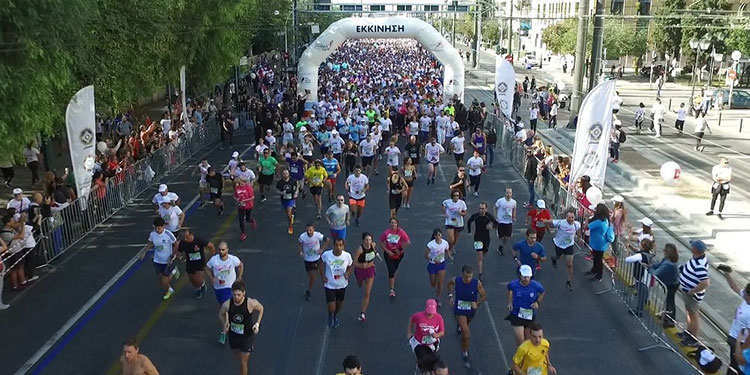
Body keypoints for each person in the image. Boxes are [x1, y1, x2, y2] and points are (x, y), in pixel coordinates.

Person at [218, 281, 263, 375]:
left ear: (244, 293)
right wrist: (225, 324)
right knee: (237, 355)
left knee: (243, 362)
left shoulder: (250, 303)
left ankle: (247, 349)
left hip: (247, 336)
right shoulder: (227, 304)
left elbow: (261, 308)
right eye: (234, 295)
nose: (236, 297)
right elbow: (221, 314)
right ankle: (247, 351)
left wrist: (257, 324)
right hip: (233, 336)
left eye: (239, 294)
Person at [447, 265, 487, 368]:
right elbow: (449, 285)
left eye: (470, 277)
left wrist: (477, 303)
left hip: (471, 309)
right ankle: (465, 352)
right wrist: (451, 296)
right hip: (459, 308)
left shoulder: (476, 283)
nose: (468, 279)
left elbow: (484, 296)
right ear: (462, 275)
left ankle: (460, 327)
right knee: (466, 333)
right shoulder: (456, 280)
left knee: (466, 325)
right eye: (466, 277)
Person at [206, 241, 244, 344]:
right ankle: (230, 325)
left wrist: (239, 278)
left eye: (223, 249)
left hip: (230, 287)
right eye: (219, 249)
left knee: (225, 308)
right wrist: (212, 277)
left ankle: (224, 331)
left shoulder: (232, 259)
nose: (221, 251)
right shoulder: (214, 260)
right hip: (218, 288)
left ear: (227, 250)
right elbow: (207, 268)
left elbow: (241, 265)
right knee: (224, 309)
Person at [717, 264, 750, 375]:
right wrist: (727, 274)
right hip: (735, 338)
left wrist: (740, 351)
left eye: (745, 292)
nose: (743, 292)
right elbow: (735, 287)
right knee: (733, 364)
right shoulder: (746, 301)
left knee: (737, 367)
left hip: (740, 343)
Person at [677, 240, 711, 347]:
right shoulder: (696, 258)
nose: (690, 246)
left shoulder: (699, 264)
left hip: (692, 295)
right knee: (689, 313)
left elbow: (705, 283)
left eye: (692, 246)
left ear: (695, 249)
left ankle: (693, 338)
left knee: (694, 316)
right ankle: (688, 333)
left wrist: (693, 291)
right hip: (687, 292)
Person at [506, 265, 546, 346]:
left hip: (529, 315)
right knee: (520, 341)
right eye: (524, 276)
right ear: (520, 275)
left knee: (528, 341)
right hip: (516, 315)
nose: (526, 279)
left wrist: (537, 302)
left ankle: (526, 357)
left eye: (528, 277)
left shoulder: (536, 285)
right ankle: (520, 357)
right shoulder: (513, 284)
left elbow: (543, 292)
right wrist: (510, 302)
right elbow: (510, 291)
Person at [141, 217, 179, 300]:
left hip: (167, 261)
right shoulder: (152, 234)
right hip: (157, 260)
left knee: (163, 281)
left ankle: (170, 290)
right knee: (160, 278)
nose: (157, 230)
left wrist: (173, 255)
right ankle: (174, 271)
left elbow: (176, 244)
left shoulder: (168, 234)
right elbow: (150, 243)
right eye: (156, 228)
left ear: (163, 227)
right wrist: (144, 252)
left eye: (159, 228)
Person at [320, 238, 353, 328]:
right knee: (332, 306)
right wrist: (323, 276)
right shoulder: (327, 255)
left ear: (343, 246)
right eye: (336, 245)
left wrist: (348, 273)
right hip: (329, 285)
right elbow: (320, 263)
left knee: (339, 305)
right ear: (333, 246)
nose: (338, 247)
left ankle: (335, 316)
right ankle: (331, 315)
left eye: (340, 245)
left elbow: (351, 265)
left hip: (342, 285)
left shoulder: (347, 256)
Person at [547, 208, 581, 291]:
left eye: (572, 217)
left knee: (569, 264)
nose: (571, 219)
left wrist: (579, 238)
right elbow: (547, 221)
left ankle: (569, 281)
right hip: (559, 245)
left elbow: (578, 230)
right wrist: (549, 230)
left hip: (569, 246)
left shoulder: (576, 224)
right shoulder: (561, 223)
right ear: (566, 217)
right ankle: (554, 259)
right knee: (558, 257)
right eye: (569, 217)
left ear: (574, 218)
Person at [176, 228, 214, 299]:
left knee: (198, 279)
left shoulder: (198, 240)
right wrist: (180, 257)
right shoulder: (183, 242)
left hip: (200, 262)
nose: (185, 239)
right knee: (192, 279)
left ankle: (201, 286)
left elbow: (211, 246)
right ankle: (199, 287)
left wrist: (211, 256)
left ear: (191, 235)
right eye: (184, 238)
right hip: (190, 263)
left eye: (186, 237)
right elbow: (179, 252)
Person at [379, 217, 411, 298]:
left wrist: (400, 250)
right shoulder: (386, 233)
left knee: (395, 268)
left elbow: (408, 242)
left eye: (394, 223)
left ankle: (392, 277)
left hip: (398, 254)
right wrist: (387, 251)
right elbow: (381, 242)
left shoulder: (400, 232)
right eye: (391, 223)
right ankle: (392, 290)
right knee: (391, 271)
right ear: (390, 224)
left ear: (397, 224)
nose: (393, 224)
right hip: (389, 254)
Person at [650, 243, 680, 327]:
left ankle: (670, 320)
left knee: (670, 301)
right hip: (670, 283)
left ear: (667, 252)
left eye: (664, 250)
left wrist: (650, 268)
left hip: (671, 285)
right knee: (668, 301)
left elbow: (655, 273)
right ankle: (667, 316)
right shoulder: (666, 260)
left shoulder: (668, 264)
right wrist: (652, 265)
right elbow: (658, 265)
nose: (663, 251)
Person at [466, 202, 499, 279]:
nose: (481, 210)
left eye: (483, 208)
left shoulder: (489, 216)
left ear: (486, 209)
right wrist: (469, 231)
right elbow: (469, 222)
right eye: (480, 208)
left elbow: (496, 224)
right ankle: (480, 274)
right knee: (480, 257)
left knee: (484, 252)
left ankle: (481, 259)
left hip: (486, 238)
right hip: (477, 238)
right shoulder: (476, 216)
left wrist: (492, 226)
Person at [298, 223, 328, 301]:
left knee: (322, 275)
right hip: (308, 260)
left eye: (310, 230)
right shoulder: (302, 237)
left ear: (313, 230)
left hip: (317, 258)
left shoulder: (317, 235)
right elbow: (300, 244)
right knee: (312, 277)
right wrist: (301, 251)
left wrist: (322, 249)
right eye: (307, 230)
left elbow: (327, 240)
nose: (309, 232)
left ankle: (327, 289)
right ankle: (309, 290)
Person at [625, 238, 654, 316]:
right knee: (645, 292)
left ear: (643, 246)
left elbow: (627, 259)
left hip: (641, 277)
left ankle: (639, 311)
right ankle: (644, 303)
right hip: (648, 277)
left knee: (641, 294)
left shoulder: (640, 255)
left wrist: (627, 251)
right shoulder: (651, 254)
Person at [586, 203, 615, 281]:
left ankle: (599, 275)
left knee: (597, 260)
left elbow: (588, 226)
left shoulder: (599, 222)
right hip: (601, 244)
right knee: (597, 258)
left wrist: (588, 219)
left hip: (597, 244)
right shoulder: (606, 220)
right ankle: (595, 271)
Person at [353, 232, 377, 322]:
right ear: (363, 241)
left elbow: (373, 256)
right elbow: (354, 262)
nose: (368, 242)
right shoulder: (360, 249)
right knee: (360, 284)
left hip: (370, 270)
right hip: (360, 270)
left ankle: (362, 313)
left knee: (367, 293)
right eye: (366, 240)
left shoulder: (373, 245)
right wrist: (361, 266)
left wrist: (370, 264)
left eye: (370, 240)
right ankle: (359, 280)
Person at [425, 229, 449, 302]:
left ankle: (438, 298)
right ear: (434, 236)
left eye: (440, 235)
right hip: (432, 265)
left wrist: (449, 255)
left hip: (441, 264)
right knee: (433, 284)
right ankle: (436, 285)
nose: (439, 236)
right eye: (437, 235)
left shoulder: (445, 243)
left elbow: (447, 250)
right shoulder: (430, 244)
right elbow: (426, 255)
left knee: (440, 283)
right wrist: (433, 259)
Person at [442, 191, 467, 258]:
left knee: (455, 240)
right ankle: (449, 250)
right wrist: (445, 213)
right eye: (454, 195)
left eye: (457, 195)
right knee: (451, 239)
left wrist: (460, 213)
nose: (456, 197)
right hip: (449, 222)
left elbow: (465, 213)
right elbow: (443, 205)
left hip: (458, 223)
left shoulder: (462, 203)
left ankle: (452, 247)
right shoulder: (447, 202)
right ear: (452, 196)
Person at [495, 187, 517, 255]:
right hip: (501, 221)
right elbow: (495, 208)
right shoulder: (500, 201)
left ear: (511, 194)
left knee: (507, 237)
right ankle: (501, 247)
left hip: (509, 222)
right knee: (501, 237)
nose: (508, 194)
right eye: (507, 192)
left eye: (510, 193)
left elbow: (514, 209)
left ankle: (501, 246)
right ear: (505, 193)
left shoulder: (514, 202)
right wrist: (496, 217)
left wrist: (514, 217)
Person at [276, 169, 298, 234]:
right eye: (284, 173)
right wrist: (281, 193)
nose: (285, 175)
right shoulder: (280, 182)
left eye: (286, 173)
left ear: (289, 174)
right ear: (282, 175)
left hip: (291, 198)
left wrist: (296, 193)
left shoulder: (292, 180)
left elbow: (296, 187)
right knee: (287, 213)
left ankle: (290, 227)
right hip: (284, 199)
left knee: (288, 213)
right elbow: (277, 190)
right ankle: (292, 214)